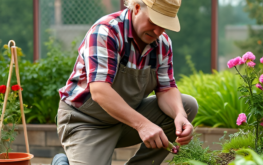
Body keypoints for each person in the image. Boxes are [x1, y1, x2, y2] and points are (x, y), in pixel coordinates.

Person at [53, 0, 198, 164]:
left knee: (187, 105)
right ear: (136, 8)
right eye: (155, 21)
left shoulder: (162, 43)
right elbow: (99, 91)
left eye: (164, 25)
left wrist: (180, 115)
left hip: (126, 119)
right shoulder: (106, 31)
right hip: (86, 121)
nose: (158, 31)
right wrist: (143, 125)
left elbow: (166, 89)